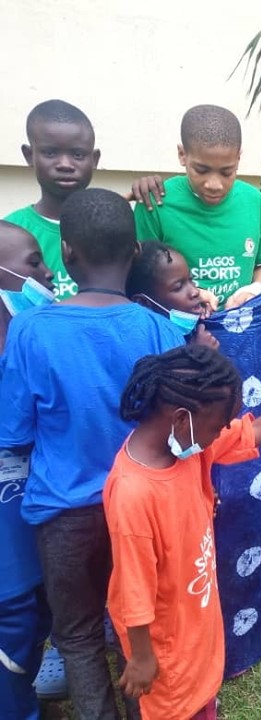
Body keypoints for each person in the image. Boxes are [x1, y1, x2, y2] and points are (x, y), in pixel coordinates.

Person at [0, 189, 185, 720]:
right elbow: (176, 424)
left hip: (64, 514)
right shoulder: (157, 328)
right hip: (141, 511)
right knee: (137, 625)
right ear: (134, 253)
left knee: (77, 635)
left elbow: (13, 430)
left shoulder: (30, 329)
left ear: (67, 254)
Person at [106, 343, 261, 720]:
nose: (220, 434)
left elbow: (255, 430)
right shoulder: (133, 494)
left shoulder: (188, 444)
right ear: (181, 419)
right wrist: (142, 657)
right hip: (164, 651)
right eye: (217, 427)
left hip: (195, 629)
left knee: (202, 695)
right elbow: (132, 589)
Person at [131, 105, 261, 310]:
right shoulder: (155, 201)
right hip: (177, 326)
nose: (214, 185)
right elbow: (138, 279)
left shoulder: (253, 200)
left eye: (226, 172)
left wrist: (253, 290)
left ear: (238, 158)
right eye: (201, 170)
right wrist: (192, 294)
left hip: (238, 323)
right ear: (182, 155)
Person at [0, 221, 55, 720]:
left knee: (36, 624)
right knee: (12, 634)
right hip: (6, 559)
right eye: (34, 263)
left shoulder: (31, 343)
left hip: (36, 533)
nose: (48, 272)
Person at [5, 99, 100, 301]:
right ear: (29, 155)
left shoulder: (114, 227)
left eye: (78, 154)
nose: (65, 164)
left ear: (95, 159)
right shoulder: (9, 234)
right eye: (50, 153)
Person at [126, 240, 219, 348]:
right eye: (178, 287)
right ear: (143, 303)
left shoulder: (202, 328)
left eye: (191, 280)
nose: (195, 291)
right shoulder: (145, 344)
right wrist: (198, 352)